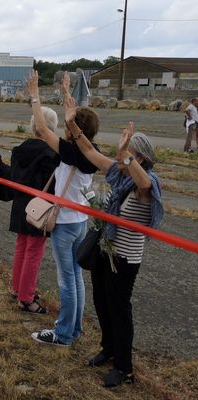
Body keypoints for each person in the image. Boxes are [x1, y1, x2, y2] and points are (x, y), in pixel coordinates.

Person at [70, 104, 164, 386]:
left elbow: (144, 183)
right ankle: (108, 349)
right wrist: (72, 125)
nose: (120, 158)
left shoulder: (146, 184)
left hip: (125, 258)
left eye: (129, 154)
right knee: (102, 302)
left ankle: (124, 367)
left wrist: (125, 157)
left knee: (119, 308)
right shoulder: (120, 174)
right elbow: (88, 152)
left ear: (141, 157)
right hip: (105, 250)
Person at [27, 70, 100, 347]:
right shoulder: (91, 150)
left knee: (66, 281)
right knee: (76, 278)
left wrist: (35, 95)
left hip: (66, 223)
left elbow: (43, 129)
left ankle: (63, 334)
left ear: (72, 128)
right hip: (80, 221)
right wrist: (67, 92)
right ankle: (75, 328)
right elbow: (76, 122)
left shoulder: (71, 152)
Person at [9, 106, 60, 313]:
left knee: (21, 246)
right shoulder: (50, 154)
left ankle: (18, 287)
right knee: (34, 252)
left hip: (20, 203)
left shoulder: (19, 149)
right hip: (39, 207)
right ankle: (26, 297)